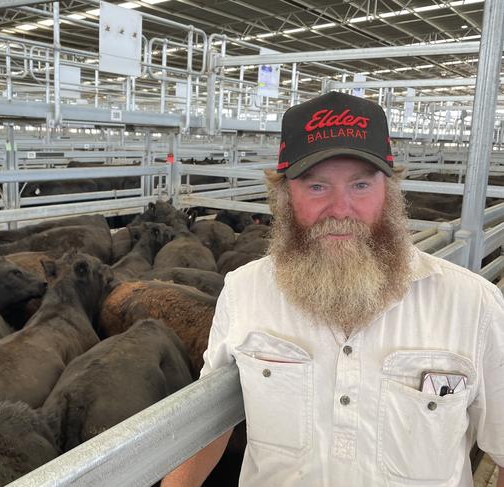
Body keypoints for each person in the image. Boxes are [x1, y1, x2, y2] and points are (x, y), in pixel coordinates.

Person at [162, 91, 504, 487]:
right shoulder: (245, 290)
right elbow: (209, 421)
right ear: (284, 196)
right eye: (317, 187)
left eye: (360, 185)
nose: (341, 209)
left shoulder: (473, 306)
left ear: (389, 190)